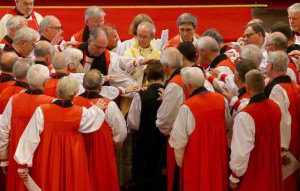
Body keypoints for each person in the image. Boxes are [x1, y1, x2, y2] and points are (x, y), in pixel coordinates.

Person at [14, 76, 107, 191]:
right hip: (73, 156)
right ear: (75, 93)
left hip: (48, 155)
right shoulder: (81, 112)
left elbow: (30, 137)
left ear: (58, 90)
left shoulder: (42, 110)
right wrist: (96, 109)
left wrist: (23, 164)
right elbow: (92, 120)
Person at [169, 66, 230, 191]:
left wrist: (181, 163)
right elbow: (228, 124)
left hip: (196, 162)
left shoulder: (187, 107)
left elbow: (179, 142)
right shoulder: (221, 100)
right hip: (218, 158)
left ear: (188, 85)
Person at [0, 64, 54, 191]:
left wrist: (4, 158)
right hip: (41, 153)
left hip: (16, 155)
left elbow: (3, 130)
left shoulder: (14, 100)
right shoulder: (51, 103)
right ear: (46, 82)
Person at [73, 69, 127, 191]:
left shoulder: (73, 102)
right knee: (101, 179)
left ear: (83, 83)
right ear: (101, 87)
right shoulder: (108, 105)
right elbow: (121, 131)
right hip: (101, 148)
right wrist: (117, 143)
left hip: (77, 147)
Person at [229, 69, 282, 191]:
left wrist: (235, 176)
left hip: (254, 169)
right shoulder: (276, 106)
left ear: (247, 87)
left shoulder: (245, 116)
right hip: (272, 164)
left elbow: (241, 150)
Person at [127, 60, 167, 191]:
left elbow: (133, 122)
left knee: (144, 172)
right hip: (163, 140)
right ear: (164, 75)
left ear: (147, 77)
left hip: (144, 139)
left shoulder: (141, 95)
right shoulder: (169, 93)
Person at [264, 51, 299, 191]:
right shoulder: (290, 82)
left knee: (283, 183)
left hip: (284, 145)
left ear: (270, 66)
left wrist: (281, 149)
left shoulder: (277, 89)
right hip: (294, 139)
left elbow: (281, 120)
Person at [156, 47, 188, 191]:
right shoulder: (185, 76)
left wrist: (161, 127)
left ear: (166, 66)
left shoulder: (174, 84)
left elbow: (165, 120)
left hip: (177, 137)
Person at [124, 21, 161, 86]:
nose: (141, 39)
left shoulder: (158, 55)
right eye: (140, 36)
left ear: (152, 37)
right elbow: (125, 75)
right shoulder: (128, 53)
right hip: (134, 90)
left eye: (145, 37)